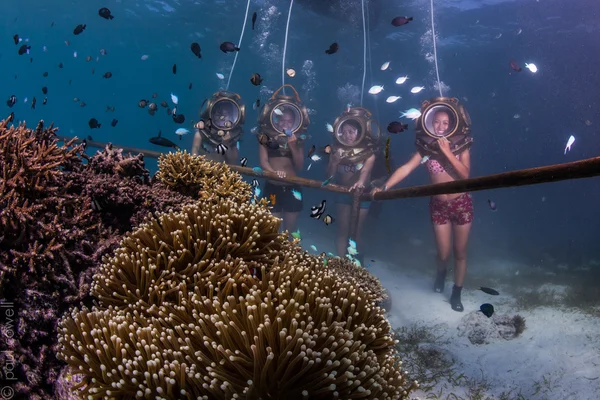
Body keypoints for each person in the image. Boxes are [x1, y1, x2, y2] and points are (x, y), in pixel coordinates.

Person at [372, 109, 473, 312]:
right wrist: (384, 187)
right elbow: (406, 168)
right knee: (443, 253)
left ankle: (457, 291)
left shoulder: (462, 146)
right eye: (437, 122)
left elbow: (465, 176)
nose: (441, 127)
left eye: (446, 123)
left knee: (460, 252)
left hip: (461, 204)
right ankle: (441, 273)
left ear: (453, 124)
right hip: (438, 206)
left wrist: (447, 151)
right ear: (428, 122)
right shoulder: (425, 148)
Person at [326, 120, 376, 261]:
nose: (348, 135)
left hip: (362, 195)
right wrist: (334, 162)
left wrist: (360, 183)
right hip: (342, 194)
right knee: (342, 230)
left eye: (352, 132)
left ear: (359, 133)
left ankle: (358, 263)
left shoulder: (369, 154)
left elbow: (365, 171)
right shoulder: (336, 151)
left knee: (356, 231)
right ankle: (341, 263)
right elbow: (329, 177)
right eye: (345, 132)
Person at [258, 108, 305, 235]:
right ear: (275, 120)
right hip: (272, 187)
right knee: (271, 230)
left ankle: (288, 254)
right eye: (282, 120)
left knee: (289, 232)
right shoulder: (265, 138)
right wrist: (274, 173)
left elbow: (299, 166)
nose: (285, 124)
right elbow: (264, 162)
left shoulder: (298, 140)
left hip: (292, 189)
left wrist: (293, 147)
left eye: (289, 121)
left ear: (295, 123)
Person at [191, 98, 241, 165]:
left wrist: (226, 144)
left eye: (227, 114)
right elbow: (195, 149)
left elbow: (232, 162)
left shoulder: (233, 137)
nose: (222, 117)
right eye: (219, 113)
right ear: (211, 113)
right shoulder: (202, 131)